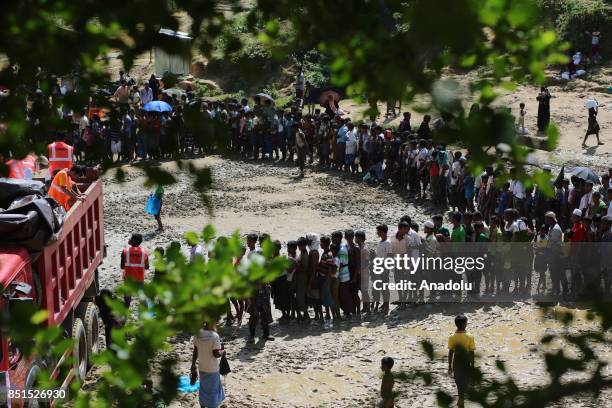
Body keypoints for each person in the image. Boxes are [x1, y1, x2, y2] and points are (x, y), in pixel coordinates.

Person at [190, 322, 226, 408]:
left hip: (202, 367)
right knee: (213, 391)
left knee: (203, 389)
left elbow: (195, 352)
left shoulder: (197, 334)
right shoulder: (215, 336)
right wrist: (223, 352)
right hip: (213, 368)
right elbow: (216, 354)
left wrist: (193, 365)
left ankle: (202, 406)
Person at [448, 315, 476, 408]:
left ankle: (461, 398)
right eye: (466, 323)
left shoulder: (452, 337)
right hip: (466, 362)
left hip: (456, 362)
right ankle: (461, 398)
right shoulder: (470, 336)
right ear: (464, 324)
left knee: (458, 381)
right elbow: (471, 352)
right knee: (465, 381)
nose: (467, 324)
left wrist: (449, 366)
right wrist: (472, 365)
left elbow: (450, 352)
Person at [120, 233, 149, 308]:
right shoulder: (145, 252)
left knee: (127, 295)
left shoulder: (125, 251)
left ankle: (126, 309)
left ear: (134, 241)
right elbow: (147, 267)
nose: (129, 239)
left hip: (128, 278)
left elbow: (122, 266)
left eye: (131, 238)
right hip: (140, 278)